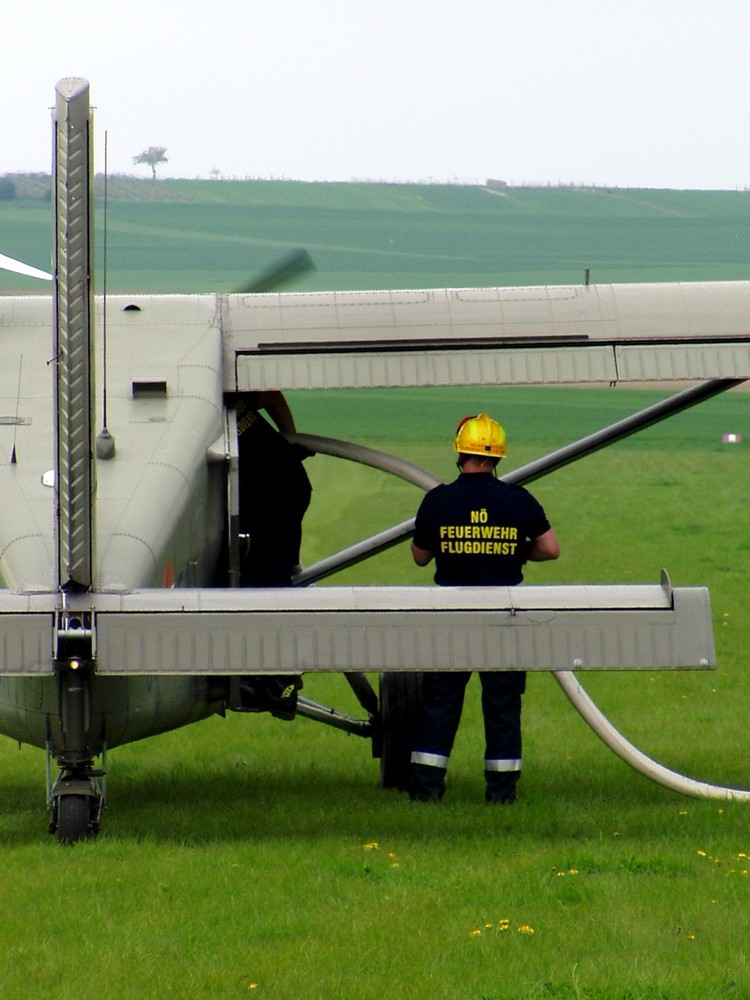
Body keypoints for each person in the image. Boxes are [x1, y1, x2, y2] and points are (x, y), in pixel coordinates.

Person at [408, 413, 560, 803]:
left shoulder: (438, 500)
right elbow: (550, 549)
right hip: (504, 617)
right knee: (503, 705)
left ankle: (426, 792)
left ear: (460, 452)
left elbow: (420, 557)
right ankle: (502, 794)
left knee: (440, 703)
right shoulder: (518, 500)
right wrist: (514, 550)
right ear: (498, 457)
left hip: (451, 617)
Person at [229, 389, 313, 719]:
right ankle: (275, 679)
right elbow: (271, 395)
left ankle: (272, 678)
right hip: (277, 497)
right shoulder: (244, 417)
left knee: (265, 583)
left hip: (267, 509)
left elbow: (270, 395)